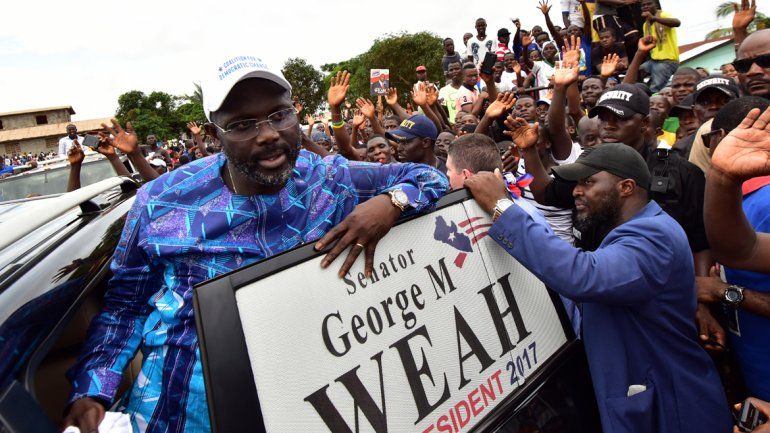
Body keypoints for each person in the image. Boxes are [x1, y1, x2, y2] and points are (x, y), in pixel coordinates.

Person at [63, 58, 448, 433]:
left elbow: (429, 178)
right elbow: (124, 308)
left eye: (279, 115)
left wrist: (389, 204)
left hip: (311, 395)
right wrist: (92, 389)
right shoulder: (161, 202)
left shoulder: (327, 179)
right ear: (215, 136)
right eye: (243, 124)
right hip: (182, 407)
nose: (268, 134)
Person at [464, 143, 732, 433]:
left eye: (588, 182)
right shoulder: (640, 227)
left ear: (626, 187)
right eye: (577, 183)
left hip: (671, 409)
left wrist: (503, 207)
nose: (577, 191)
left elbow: (582, 276)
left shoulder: (653, 236)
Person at [695, 97, 770, 401]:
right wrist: (722, 178)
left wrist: (723, 292)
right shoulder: (734, 202)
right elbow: (741, 252)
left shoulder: (764, 203)